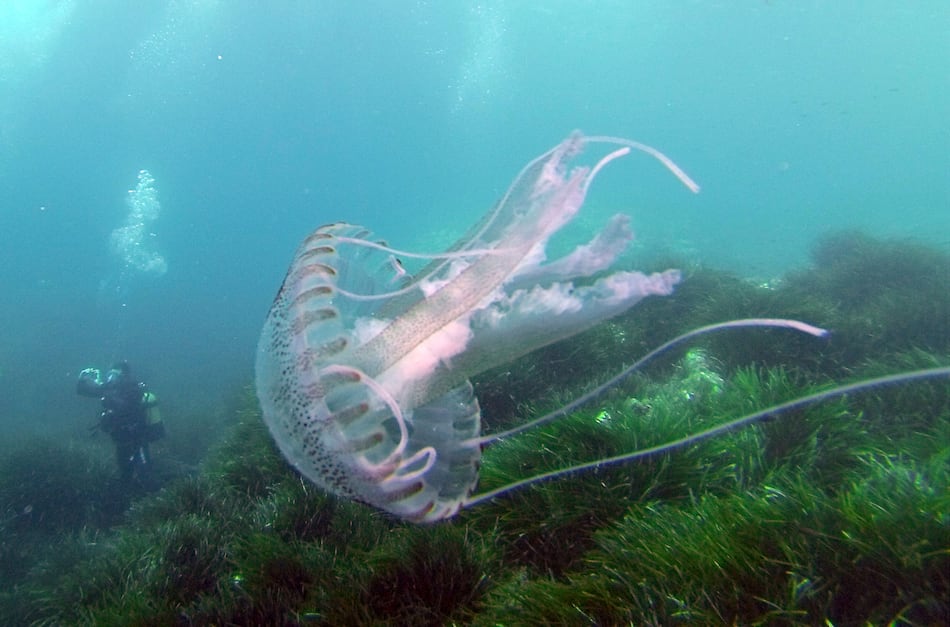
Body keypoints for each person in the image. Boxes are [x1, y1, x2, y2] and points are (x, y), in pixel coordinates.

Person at [77, 361, 165, 485]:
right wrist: (82, 379)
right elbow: (84, 391)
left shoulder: (132, 387)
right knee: (124, 469)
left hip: (136, 437)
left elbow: (125, 407)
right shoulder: (112, 388)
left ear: (123, 374)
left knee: (144, 470)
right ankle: (130, 492)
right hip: (121, 437)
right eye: (110, 374)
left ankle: (153, 492)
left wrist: (108, 396)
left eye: (114, 373)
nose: (111, 377)